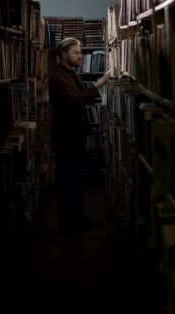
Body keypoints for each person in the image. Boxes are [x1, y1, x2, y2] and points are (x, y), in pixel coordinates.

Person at [48, 37, 111, 234]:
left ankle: (79, 218)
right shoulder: (57, 77)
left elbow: (82, 95)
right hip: (66, 138)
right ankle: (67, 224)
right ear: (63, 55)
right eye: (76, 52)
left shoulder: (71, 72)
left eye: (80, 52)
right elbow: (75, 101)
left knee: (75, 179)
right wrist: (100, 84)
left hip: (75, 135)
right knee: (67, 180)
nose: (80, 55)